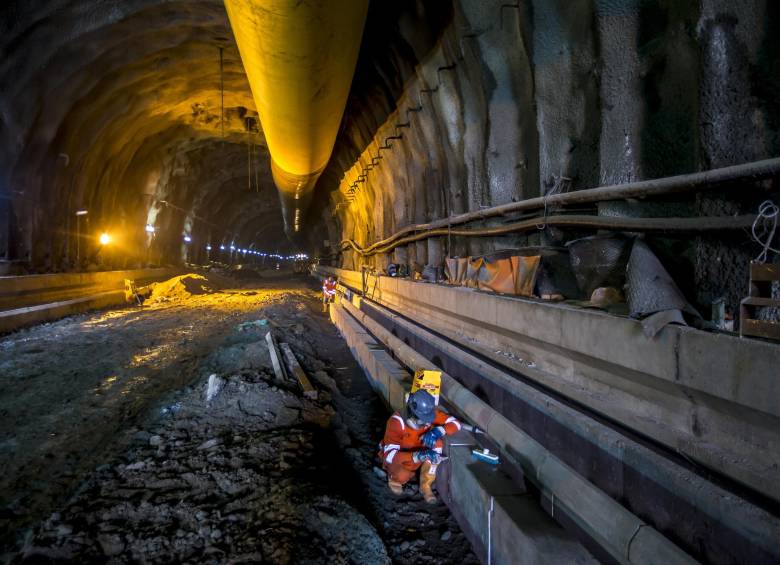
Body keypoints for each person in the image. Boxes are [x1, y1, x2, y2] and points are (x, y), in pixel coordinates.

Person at [378, 389, 461, 503]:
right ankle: (394, 479)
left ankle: (425, 485)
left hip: (419, 451)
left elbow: (455, 423)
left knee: (438, 443)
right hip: (403, 457)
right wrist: (419, 456)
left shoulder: (428, 413)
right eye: (423, 421)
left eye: (428, 420)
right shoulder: (396, 422)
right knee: (402, 475)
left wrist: (439, 430)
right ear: (412, 413)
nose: (427, 424)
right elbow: (390, 456)